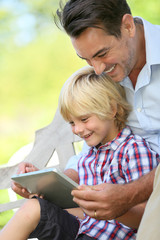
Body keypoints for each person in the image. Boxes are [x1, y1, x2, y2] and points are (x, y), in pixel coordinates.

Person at [1, 66, 159, 239]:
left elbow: (148, 217)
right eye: (71, 122)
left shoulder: (135, 151)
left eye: (84, 119)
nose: (77, 129)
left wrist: (112, 207)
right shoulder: (89, 156)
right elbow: (84, 213)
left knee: (34, 209)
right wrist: (41, 185)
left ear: (112, 109)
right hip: (84, 230)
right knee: (34, 206)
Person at [53, 0, 160, 222]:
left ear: (128, 26)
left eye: (102, 54)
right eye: (86, 59)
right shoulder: (107, 76)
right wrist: (53, 185)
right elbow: (91, 152)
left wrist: (129, 195)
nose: (98, 69)